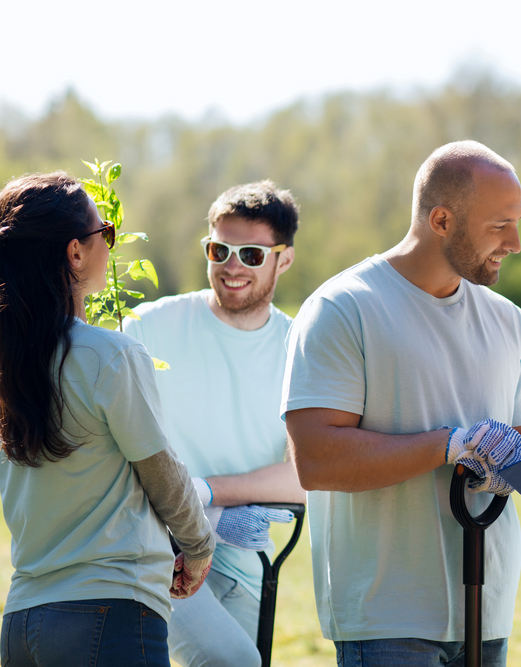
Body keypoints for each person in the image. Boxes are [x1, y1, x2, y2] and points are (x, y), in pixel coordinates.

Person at [282, 140, 521, 666]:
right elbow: (315, 459)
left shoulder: (506, 319)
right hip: (388, 616)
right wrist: (449, 446)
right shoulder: (343, 309)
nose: (516, 242)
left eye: (516, 223)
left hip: (488, 608)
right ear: (441, 220)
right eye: (499, 226)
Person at [0, 172, 214, 666]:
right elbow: (160, 471)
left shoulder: (9, 368)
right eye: (106, 233)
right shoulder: (109, 356)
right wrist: (198, 547)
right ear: (75, 253)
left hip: (21, 622)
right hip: (107, 613)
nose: (109, 246)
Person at [122, 181, 306, 667]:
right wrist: (194, 503)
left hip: (248, 557)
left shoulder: (301, 350)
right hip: (158, 551)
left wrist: (206, 492)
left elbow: (307, 475)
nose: (231, 266)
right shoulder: (146, 328)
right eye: (219, 249)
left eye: (251, 254)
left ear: (283, 260)